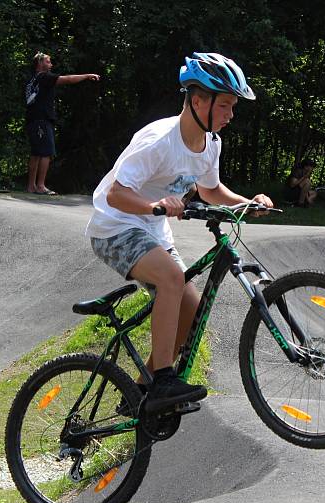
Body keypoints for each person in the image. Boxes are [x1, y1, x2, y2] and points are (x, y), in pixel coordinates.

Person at [85, 52, 273, 411]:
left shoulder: (210, 143)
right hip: (114, 226)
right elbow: (116, 193)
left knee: (192, 310)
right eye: (226, 105)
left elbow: (211, 190)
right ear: (198, 100)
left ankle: (140, 396)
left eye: (233, 107)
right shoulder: (159, 140)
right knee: (172, 278)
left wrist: (248, 202)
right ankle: (165, 381)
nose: (231, 115)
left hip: (152, 230)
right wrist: (158, 206)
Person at [24, 51, 100, 195]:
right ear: (39, 64)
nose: (51, 64)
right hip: (42, 119)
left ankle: (30, 186)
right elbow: (68, 79)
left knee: (36, 153)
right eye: (48, 61)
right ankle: (40, 186)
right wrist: (86, 76)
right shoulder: (44, 77)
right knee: (46, 152)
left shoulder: (31, 80)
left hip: (32, 119)